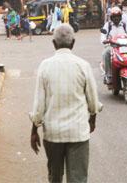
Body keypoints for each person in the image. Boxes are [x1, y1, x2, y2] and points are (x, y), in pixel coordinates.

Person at [30, 24, 102, 183]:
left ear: (54, 43)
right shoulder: (83, 65)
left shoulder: (45, 66)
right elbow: (92, 99)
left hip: (53, 133)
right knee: (78, 179)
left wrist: (34, 129)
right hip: (78, 133)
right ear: (73, 43)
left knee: (54, 177)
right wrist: (92, 119)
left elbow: (39, 103)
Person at [100, 7, 127, 85]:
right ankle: (109, 76)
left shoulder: (124, 24)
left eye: (118, 16)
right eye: (114, 16)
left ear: (120, 17)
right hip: (112, 46)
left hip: (125, 46)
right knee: (106, 53)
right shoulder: (108, 25)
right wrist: (104, 40)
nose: (116, 18)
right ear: (111, 17)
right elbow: (103, 36)